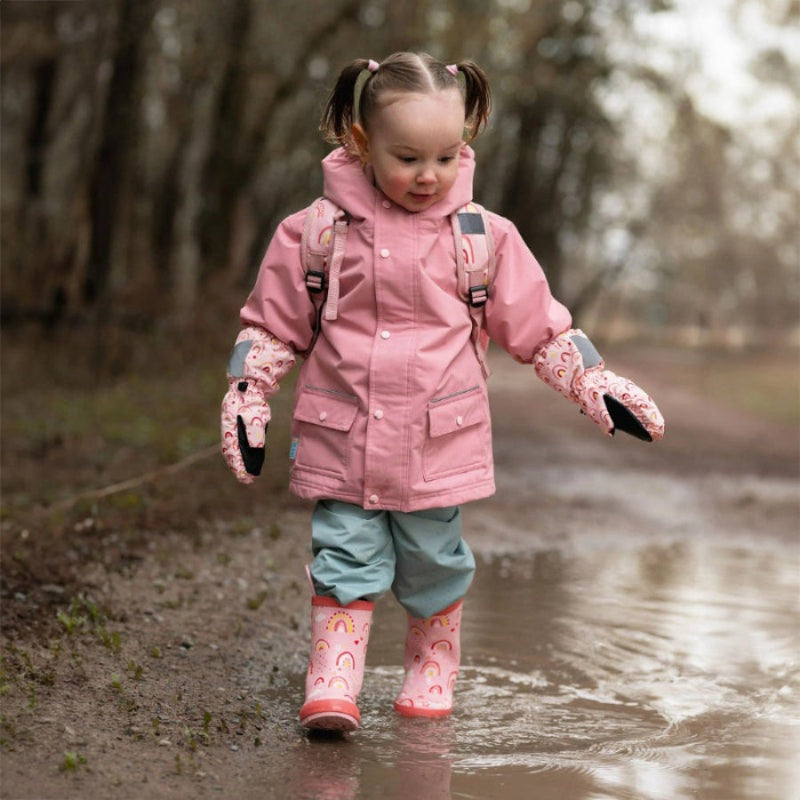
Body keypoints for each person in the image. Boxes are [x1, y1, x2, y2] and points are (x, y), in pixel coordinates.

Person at [221, 52, 664, 733]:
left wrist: (591, 381)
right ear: (361, 143)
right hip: (343, 434)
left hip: (438, 441)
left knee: (435, 559)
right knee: (343, 553)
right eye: (407, 158)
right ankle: (333, 679)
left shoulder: (482, 240)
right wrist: (250, 389)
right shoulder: (315, 234)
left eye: (446, 156)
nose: (429, 176)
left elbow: (540, 330)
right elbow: (274, 325)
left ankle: (433, 663)